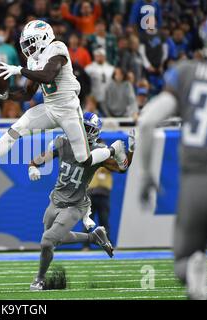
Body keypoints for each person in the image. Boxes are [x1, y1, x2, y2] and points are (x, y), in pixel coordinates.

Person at [138, 7, 207, 300]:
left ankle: (192, 271)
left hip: (196, 182)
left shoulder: (186, 71)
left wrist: (147, 174)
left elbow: (148, 121)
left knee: (183, 264)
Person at [0, 20, 128, 179]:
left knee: (84, 159)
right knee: (15, 130)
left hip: (68, 110)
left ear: (43, 37)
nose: (27, 48)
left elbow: (47, 76)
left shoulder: (57, 48)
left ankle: (114, 149)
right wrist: (7, 96)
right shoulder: (33, 60)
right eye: (25, 44)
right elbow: (28, 93)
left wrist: (19, 70)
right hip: (49, 108)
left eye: (30, 43)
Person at [27, 112, 134, 290]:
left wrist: (130, 151)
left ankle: (39, 279)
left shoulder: (97, 151)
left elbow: (121, 168)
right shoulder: (64, 142)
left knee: (47, 240)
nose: (83, 131)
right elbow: (40, 158)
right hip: (55, 199)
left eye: (88, 128)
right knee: (54, 240)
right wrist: (32, 166)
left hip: (75, 205)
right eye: (82, 126)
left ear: (95, 132)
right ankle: (93, 237)